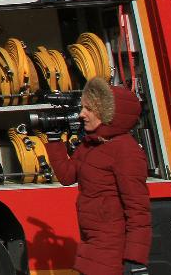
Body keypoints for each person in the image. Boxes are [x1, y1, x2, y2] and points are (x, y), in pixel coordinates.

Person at [45, 76, 151, 275]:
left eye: (89, 109)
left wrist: (135, 260)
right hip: (91, 241)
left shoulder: (125, 151)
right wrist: (53, 140)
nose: (82, 114)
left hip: (112, 247)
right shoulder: (92, 144)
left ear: (108, 113)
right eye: (83, 107)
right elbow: (67, 176)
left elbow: (138, 208)